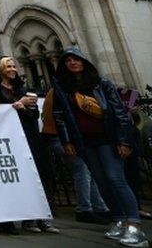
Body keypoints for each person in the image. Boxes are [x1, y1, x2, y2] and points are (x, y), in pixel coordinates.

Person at [52, 48, 146, 246]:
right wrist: (67, 141)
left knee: (115, 178)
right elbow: (60, 116)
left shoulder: (102, 83)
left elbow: (118, 111)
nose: (72, 63)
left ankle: (134, 225)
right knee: (101, 181)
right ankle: (119, 219)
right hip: (85, 141)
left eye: (76, 59)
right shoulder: (63, 87)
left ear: (84, 61)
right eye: (68, 60)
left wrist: (123, 140)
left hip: (107, 139)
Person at [0, 56, 60, 234]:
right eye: (8, 66)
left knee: (39, 174)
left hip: (30, 135)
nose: (13, 69)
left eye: (14, 66)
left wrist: (23, 107)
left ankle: (44, 218)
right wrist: (16, 104)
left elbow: (35, 113)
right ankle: (29, 219)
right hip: (10, 138)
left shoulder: (23, 88)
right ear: (0, 70)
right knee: (22, 177)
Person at [41, 86, 111, 224]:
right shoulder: (61, 91)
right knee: (82, 171)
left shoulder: (57, 91)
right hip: (61, 138)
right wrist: (67, 141)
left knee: (87, 172)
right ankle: (84, 208)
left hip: (65, 138)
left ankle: (100, 207)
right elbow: (60, 118)